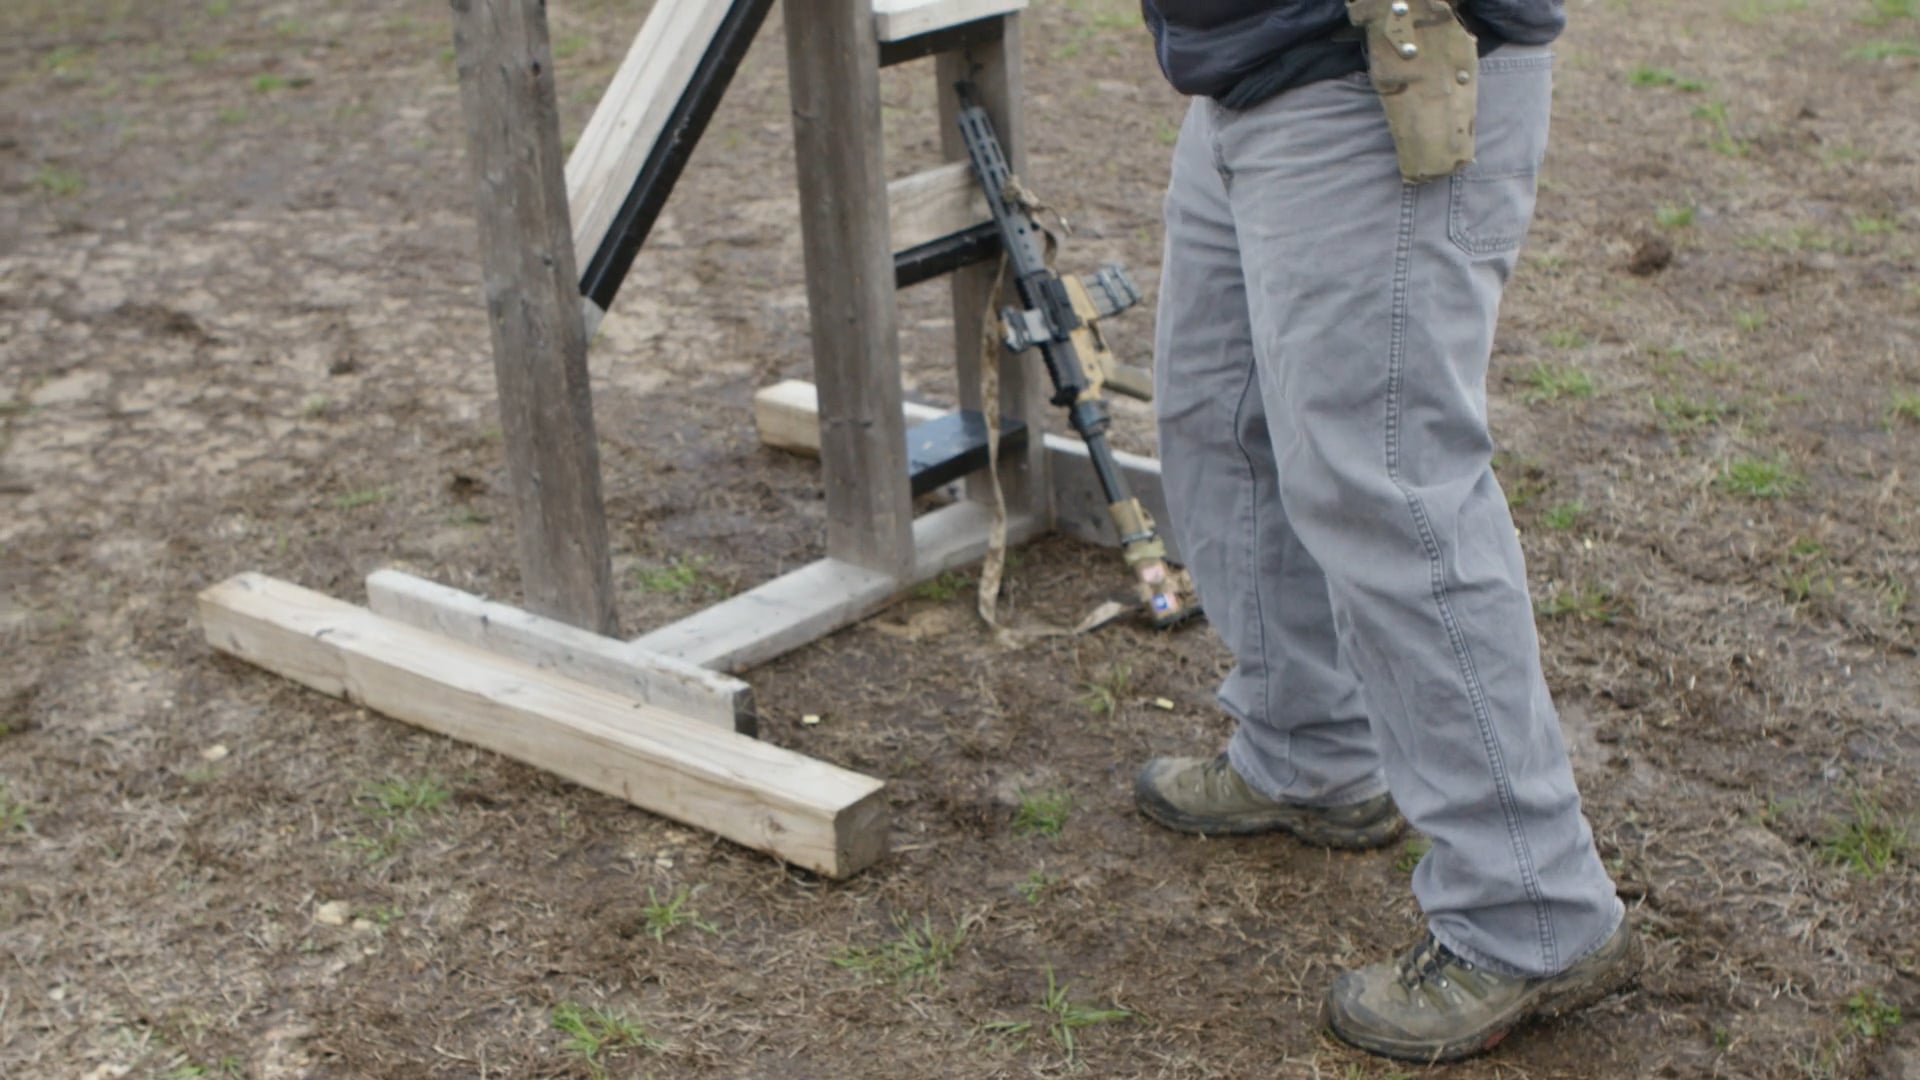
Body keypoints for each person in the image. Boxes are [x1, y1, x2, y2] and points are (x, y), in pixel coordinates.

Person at [1130, 0, 1637, 1063]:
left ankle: (1529, 909)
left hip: (1378, 61)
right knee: (1226, 422)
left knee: (1393, 484)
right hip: (1245, 65)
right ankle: (1307, 748)